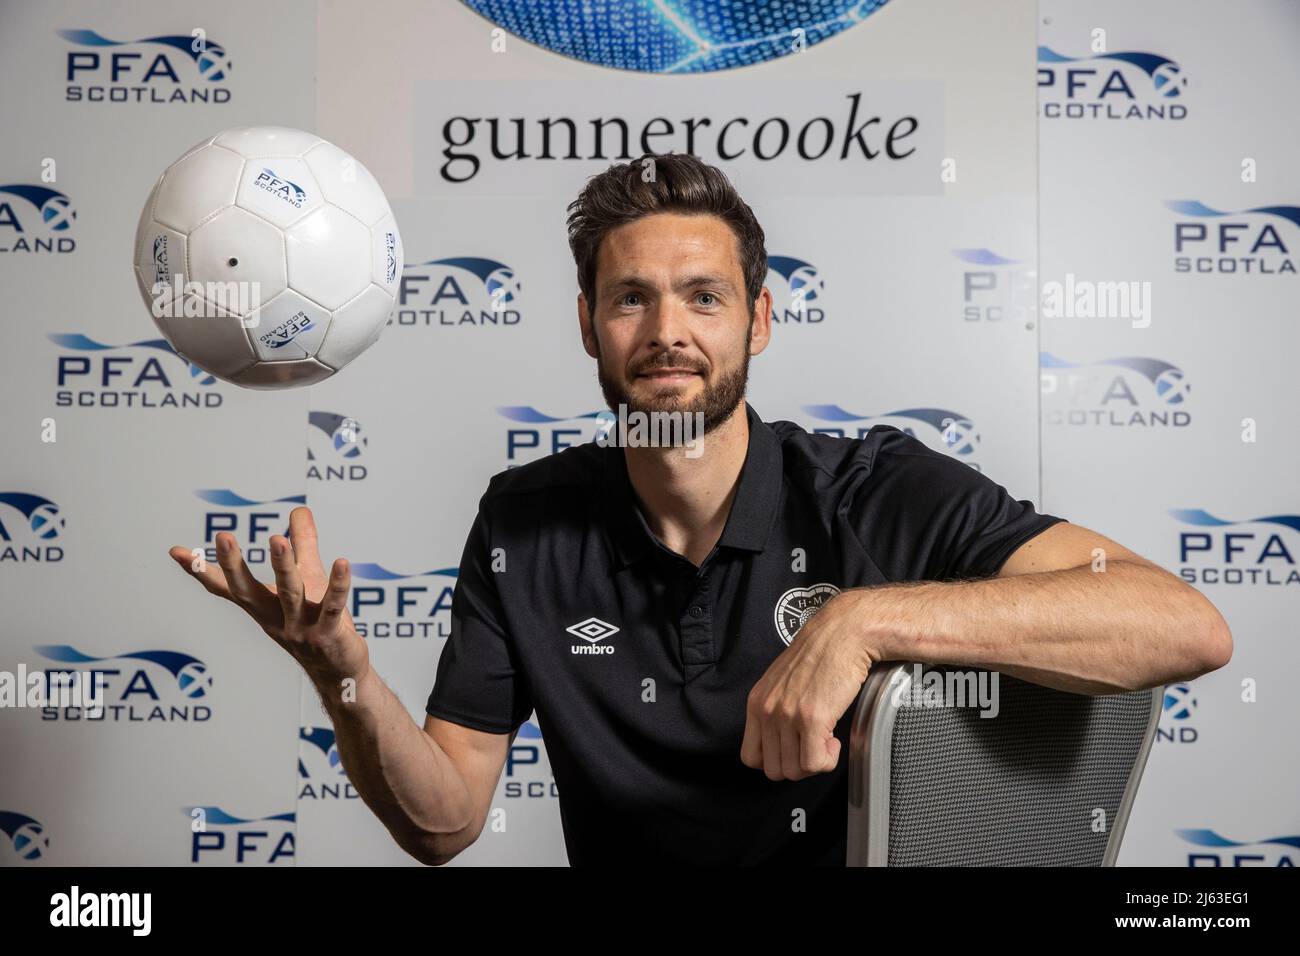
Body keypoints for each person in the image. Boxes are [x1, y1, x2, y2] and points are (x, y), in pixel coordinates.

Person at [169, 152, 1232, 866]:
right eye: (631, 298)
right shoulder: (522, 522)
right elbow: (445, 818)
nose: (666, 330)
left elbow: (1181, 623)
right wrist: (341, 671)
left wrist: (859, 620)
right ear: (587, 325)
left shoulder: (874, 489)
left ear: (758, 321)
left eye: (703, 296)